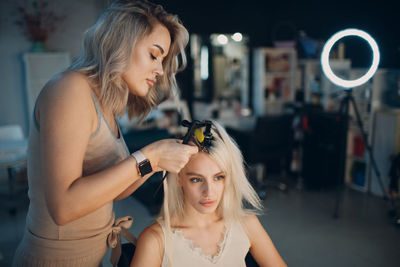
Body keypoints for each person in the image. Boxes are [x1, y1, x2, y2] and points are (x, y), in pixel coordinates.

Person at [13, 0, 198, 266]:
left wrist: (158, 162)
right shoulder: (70, 90)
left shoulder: (104, 104)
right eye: (154, 55)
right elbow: (63, 208)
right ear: (122, 42)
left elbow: (113, 191)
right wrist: (150, 157)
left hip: (93, 255)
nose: (159, 70)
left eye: (163, 60)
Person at [130, 120, 287, 267]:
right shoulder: (156, 240)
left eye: (218, 178)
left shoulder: (247, 225)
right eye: (196, 180)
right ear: (179, 179)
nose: (209, 192)